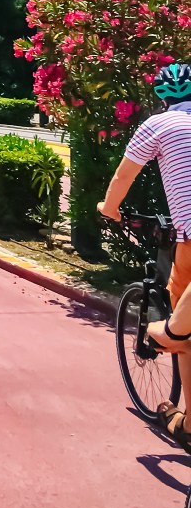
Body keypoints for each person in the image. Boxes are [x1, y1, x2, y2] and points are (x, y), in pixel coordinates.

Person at [98, 62, 191, 445]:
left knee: (177, 332)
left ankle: (165, 333)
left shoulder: (157, 125)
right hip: (186, 238)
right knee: (187, 327)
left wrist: (109, 207)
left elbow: (124, 175)